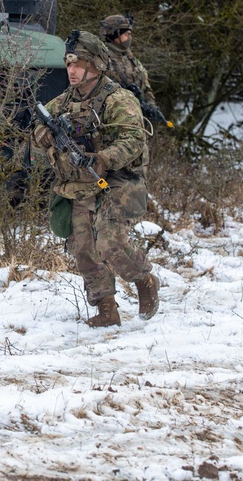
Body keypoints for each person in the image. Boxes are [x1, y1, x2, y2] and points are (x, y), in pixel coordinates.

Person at [32, 30, 159, 327]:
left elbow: (133, 141)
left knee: (109, 240)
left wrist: (102, 159)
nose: (71, 70)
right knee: (84, 247)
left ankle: (144, 279)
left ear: (96, 65)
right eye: (68, 64)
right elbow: (34, 133)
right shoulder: (62, 103)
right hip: (80, 183)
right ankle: (106, 309)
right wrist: (44, 135)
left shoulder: (118, 100)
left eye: (79, 64)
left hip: (118, 180)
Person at [99, 14, 169, 126]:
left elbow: (146, 87)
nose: (129, 37)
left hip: (138, 124)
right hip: (115, 123)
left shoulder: (131, 60)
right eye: (126, 34)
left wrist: (151, 106)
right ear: (115, 34)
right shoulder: (102, 61)